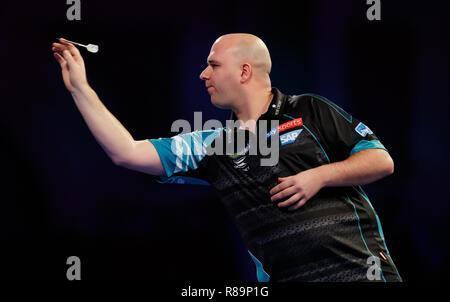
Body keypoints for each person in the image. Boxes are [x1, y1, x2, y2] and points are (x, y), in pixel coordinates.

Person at [52, 33, 402, 282]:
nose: (203, 74)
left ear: (244, 71)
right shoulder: (213, 144)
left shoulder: (310, 110)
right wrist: (80, 89)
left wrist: (318, 176)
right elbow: (126, 152)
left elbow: (380, 161)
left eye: (213, 65)